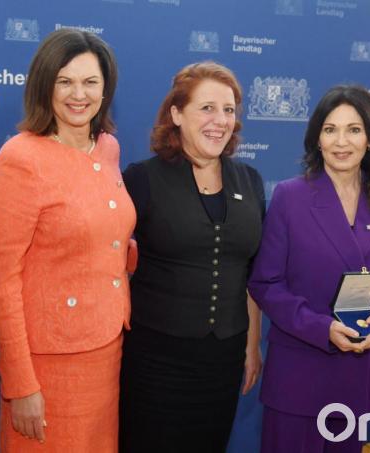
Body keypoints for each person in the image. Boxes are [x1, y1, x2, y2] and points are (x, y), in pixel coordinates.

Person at [0, 29, 135, 452]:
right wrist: (20, 384)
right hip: (46, 363)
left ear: (106, 89)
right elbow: (2, 280)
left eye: (91, 82)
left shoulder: (108, 149)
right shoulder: (20, 158)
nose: (78, 94)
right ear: (43, 84)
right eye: (64, 81)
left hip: (106, 346)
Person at [247, 84, 370, 452]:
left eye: (354, 129)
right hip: (298, 377)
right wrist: (323, 329)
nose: (342, 141)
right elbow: (265, 283)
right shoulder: (291, 197)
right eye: (330, 129)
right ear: (317, 138)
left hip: (359, 376)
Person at [119, 61, 265, 453]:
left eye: (229, 110)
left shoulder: (249, 181)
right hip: (155, 361)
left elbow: (251, 273)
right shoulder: (142, 179)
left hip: (223, 361)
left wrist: (252, 347)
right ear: (177, 114)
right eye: (207, 108)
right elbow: (107, 264)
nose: (220, 120)